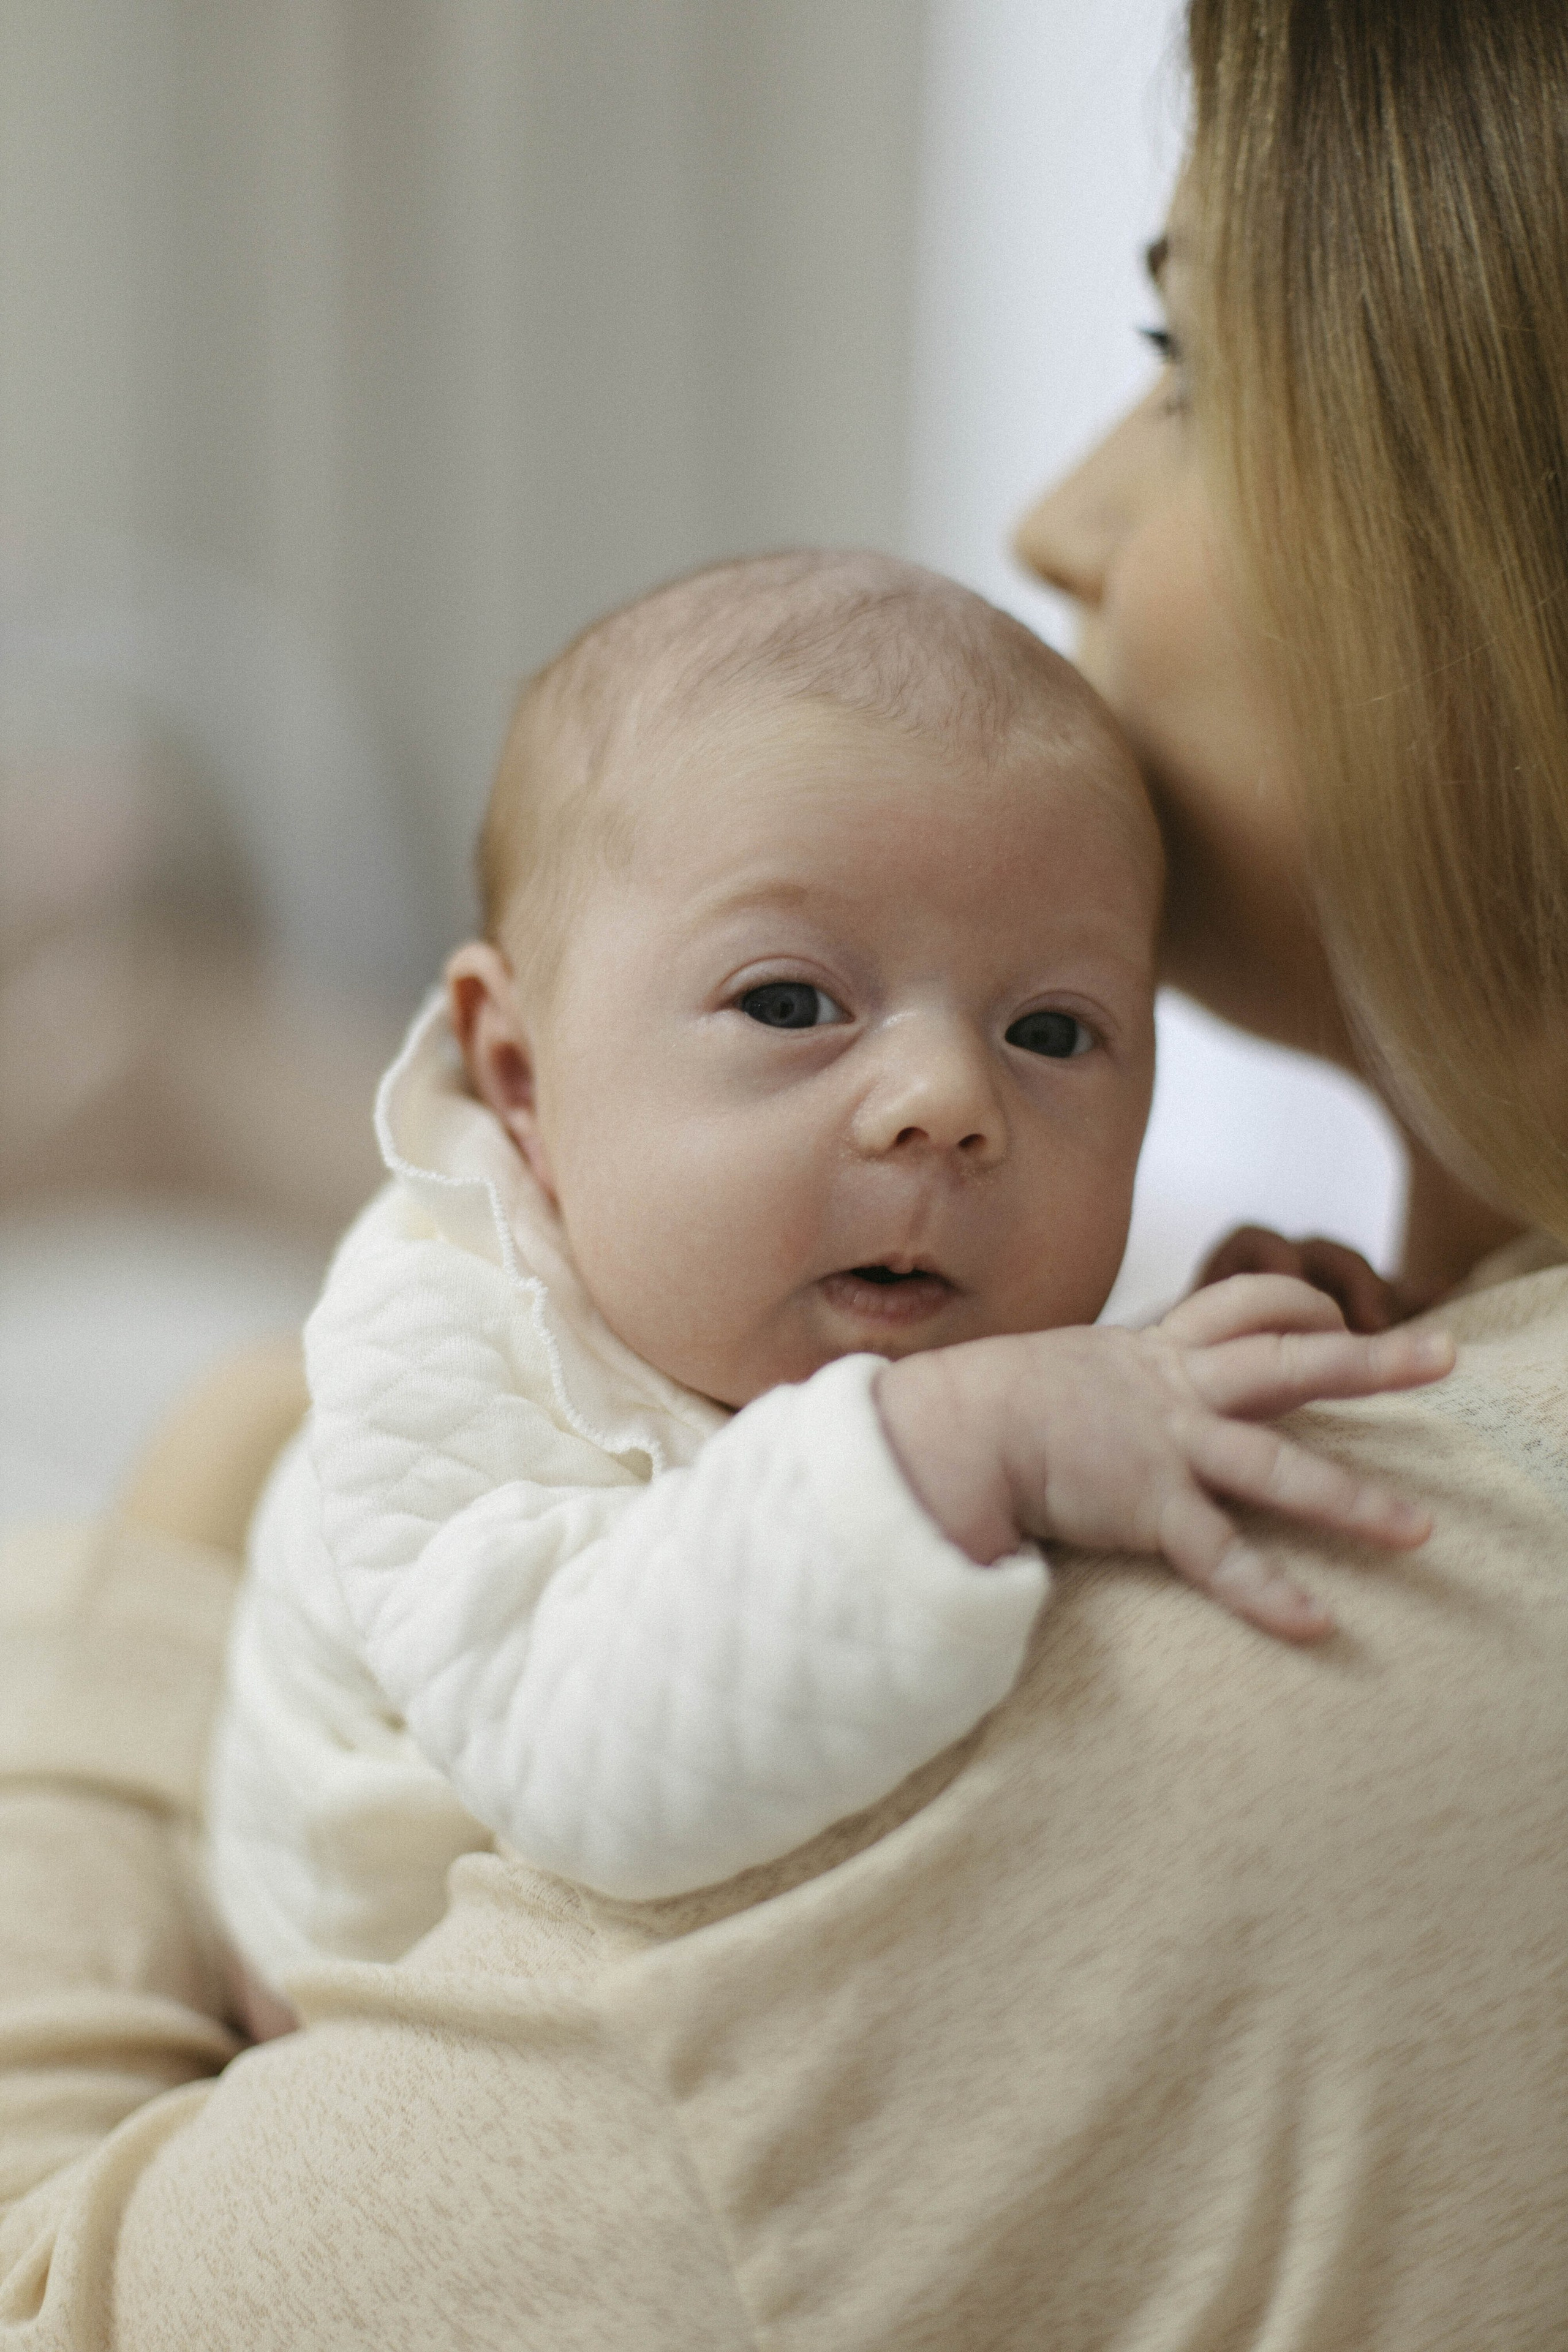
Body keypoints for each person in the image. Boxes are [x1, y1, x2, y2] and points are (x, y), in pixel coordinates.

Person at [1, 3, 1564, 2343]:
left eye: (1198, 371)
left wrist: (171, 1535)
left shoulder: (1284, 1683)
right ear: (499, 1069)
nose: (1061, 516)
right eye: (800, 1004)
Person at [206, 550, 1446, 2023]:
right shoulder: (444, 1335)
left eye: (1050, 1031)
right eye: (790, 1004)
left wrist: (1195, 1354)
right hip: (320, 2041)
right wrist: (972, 1441)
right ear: (518, 1073)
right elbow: (588, 1757)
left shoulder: (833, 1301)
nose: (944, 1098)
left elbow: (975, 1454)